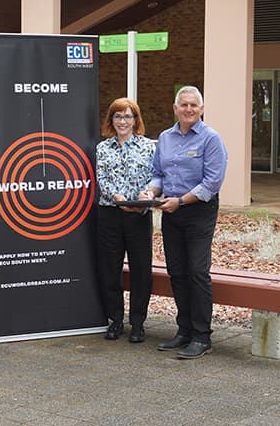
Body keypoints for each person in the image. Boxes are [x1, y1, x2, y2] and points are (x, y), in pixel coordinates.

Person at [140, 86, 227, 359]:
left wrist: (182, 201)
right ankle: (184, 331)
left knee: (197, 272)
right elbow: (158, 174)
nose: (189, 109)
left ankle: (202, 337)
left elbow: (212, 182)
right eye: (184, 105)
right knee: (176, 272)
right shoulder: (165, 138)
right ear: (175, 108)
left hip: (199, 210)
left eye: (194, 105)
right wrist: (151, 192)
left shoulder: (211, 139)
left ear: (201, 109)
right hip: (171, 211)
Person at [95, 98, 156, 343]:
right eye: (118, 116)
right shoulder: (102, 148)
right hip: (110, 213)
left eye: (128, 116)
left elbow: (155, 176)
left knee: (141, 269)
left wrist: (147, 195)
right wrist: (117, 197)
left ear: (135, 120)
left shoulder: (149, 146)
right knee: (110, 268)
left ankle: (138, 323)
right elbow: (102, 178)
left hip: (139, 215)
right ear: (111, 120)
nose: (123, 121)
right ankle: (115, 320)